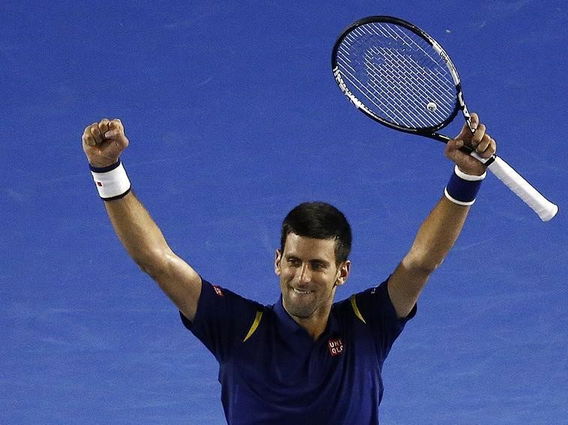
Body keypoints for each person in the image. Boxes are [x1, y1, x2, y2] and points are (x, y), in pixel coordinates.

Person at [81, 115, 495, 425]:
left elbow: (421, 262)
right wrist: (107, 170)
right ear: (278, 261)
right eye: (293, 261)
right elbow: (158, 261)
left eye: (318, 265)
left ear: (342, 272)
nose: (301, 276)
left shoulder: (369, 323)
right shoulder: (236, 327)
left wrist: (466, 176)